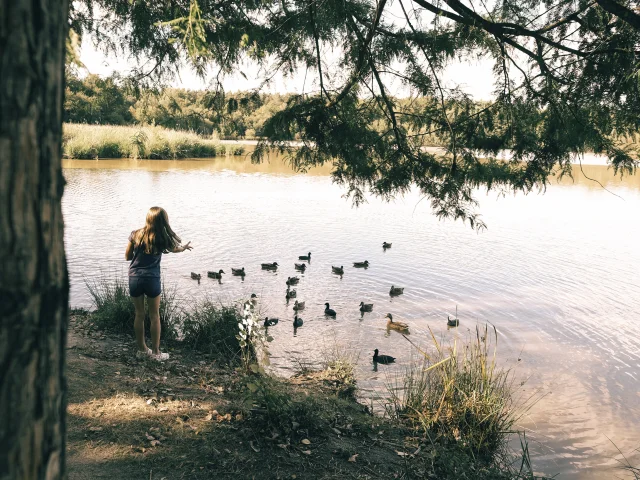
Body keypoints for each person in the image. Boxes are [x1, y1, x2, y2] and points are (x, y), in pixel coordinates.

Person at [125, 207, 192, 360]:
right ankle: (156, 353)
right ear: (163, 221)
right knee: (154, 316)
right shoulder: (162, 238)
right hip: (152, 279)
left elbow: (127, 256)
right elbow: (175, 248)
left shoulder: (135, 234)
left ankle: (142, 350)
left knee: (139, 314)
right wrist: (183, 248)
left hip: (134, 277)